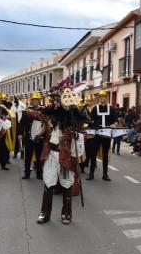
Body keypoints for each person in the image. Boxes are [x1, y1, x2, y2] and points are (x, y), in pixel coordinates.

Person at [23, 81, 88, 225]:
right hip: (51, 155)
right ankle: (44, 213)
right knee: (48, 182)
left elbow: (85, 132)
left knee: (66, 183)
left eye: (59, 100)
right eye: (55, 100)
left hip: (65, 158)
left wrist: (78, 135)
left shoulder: (73, 118)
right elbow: (34, 114)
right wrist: (26, 109)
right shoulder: (49, 115)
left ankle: (66, 213)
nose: (56, 102)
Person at [87, 90, 117, 181]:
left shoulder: (111, 109)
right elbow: (90, 121)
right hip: (96, 135)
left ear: (106, 97)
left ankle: (105, 174)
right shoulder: (95, 109)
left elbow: (115, 120)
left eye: (103, 96)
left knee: (105, 155)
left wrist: (114, 124)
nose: (101, 98)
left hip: (107, 135)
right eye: (100, 96)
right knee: (93, 154)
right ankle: (91, 174)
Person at [19, 92, 45, 180]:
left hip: (39, 137)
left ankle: (39, 173)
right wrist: (20, 133)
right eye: (33, 100)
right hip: (29, 137)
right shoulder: (26, 111)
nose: (34, 101)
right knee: (28, 157)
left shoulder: (43, 111)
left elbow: (45, 124)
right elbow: (22, 123)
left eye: (36, 100)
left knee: (39, 157)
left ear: (39, 101)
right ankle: (27, 173)